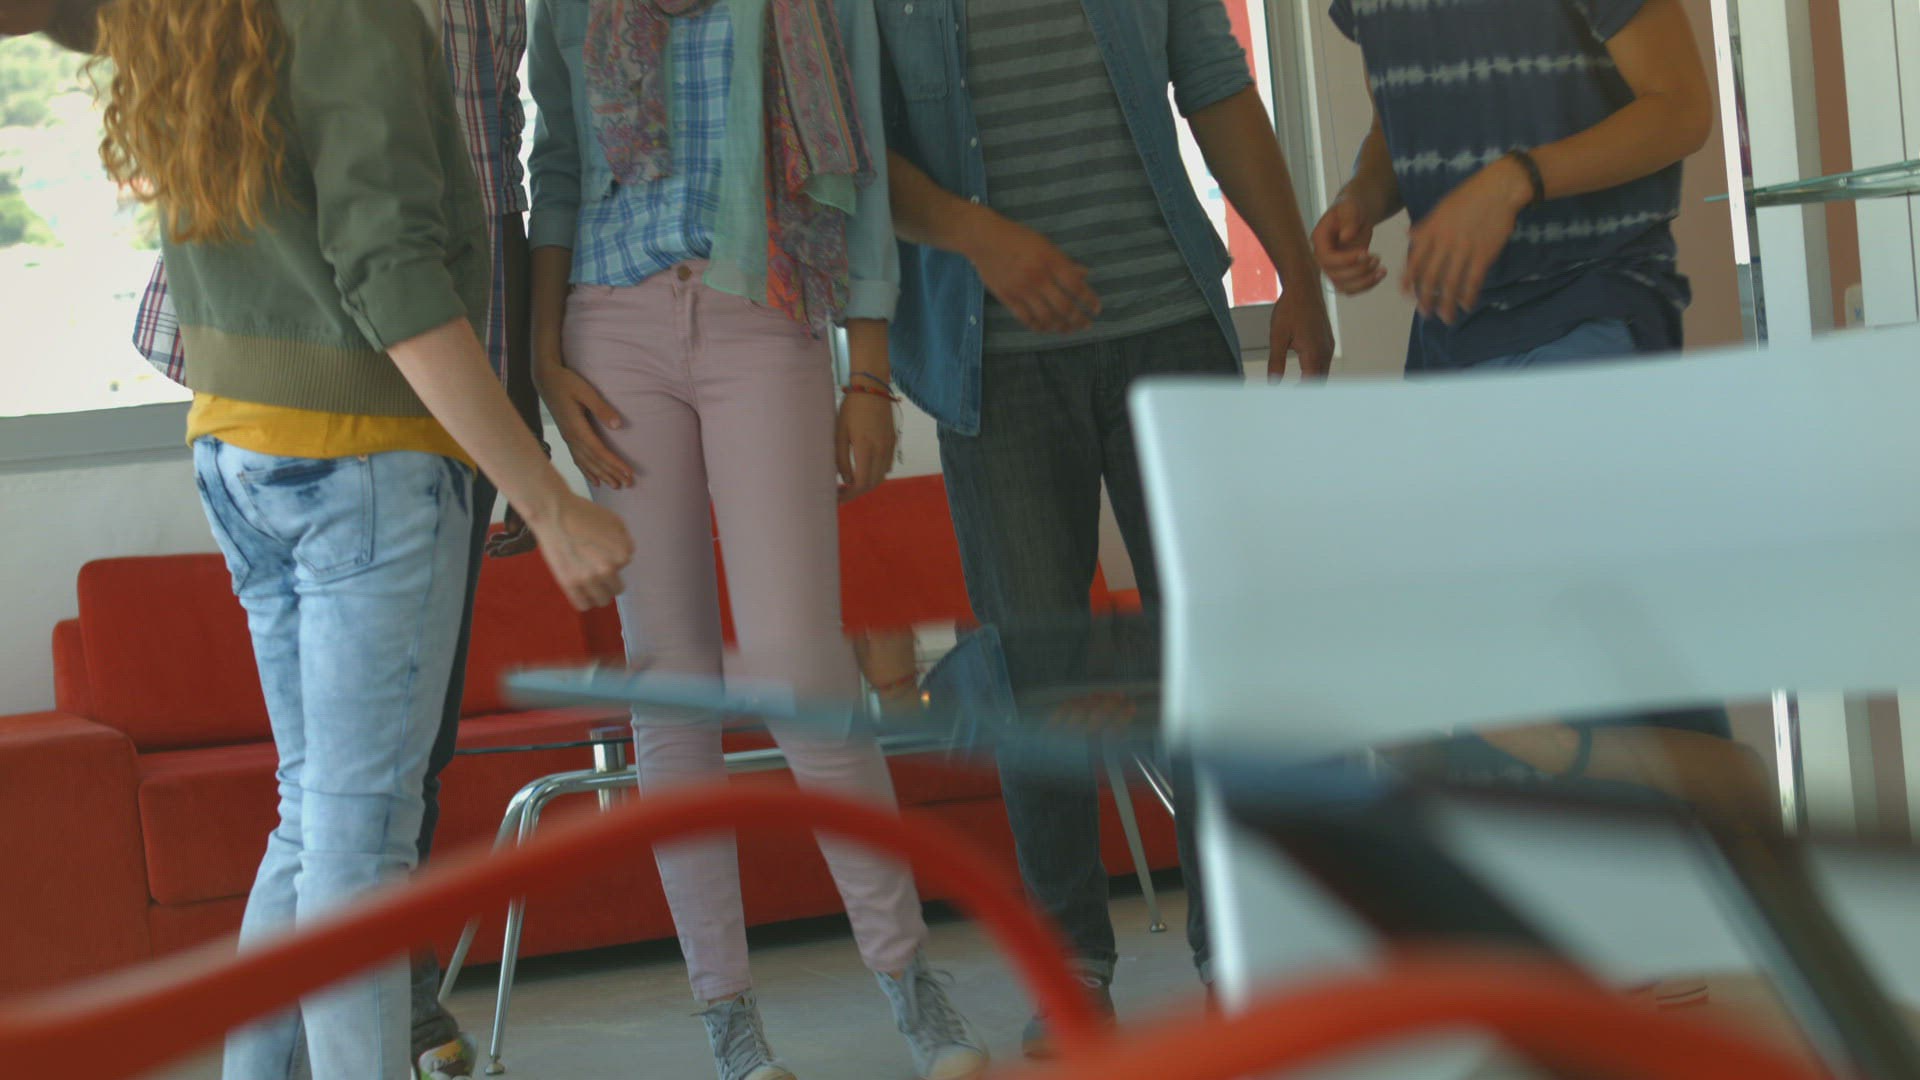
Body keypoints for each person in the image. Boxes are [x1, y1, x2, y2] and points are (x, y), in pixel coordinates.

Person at [88, 0, 632, 1076]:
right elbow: (393, 279)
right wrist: (543, 494)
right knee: (359, 846)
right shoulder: (354, 14)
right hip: (361, 461)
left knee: (315, 823)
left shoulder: (203, 16)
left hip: (237, 447)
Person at [526, 2, 985, 1078]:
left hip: (765, 310)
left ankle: (912, 986)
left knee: (798, 667)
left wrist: (868, 374)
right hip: (608, 325)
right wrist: (544, 357)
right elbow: (557, 168)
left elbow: (854, 164)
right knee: (670, 680)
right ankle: (728, 1021)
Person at [874, 0, 1333, 1053]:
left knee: (1212, 661)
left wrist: (1297, 274)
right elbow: (857, 151)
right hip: (992, 361)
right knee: (1038, 673)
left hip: (1170, 326)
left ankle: (1237, 953)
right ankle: (1070, 966)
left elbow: (1215, 83)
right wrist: (978, 234)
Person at [1311, 0, 1714, 373]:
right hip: (1446, 337)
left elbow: (1681, 108)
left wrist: (1516, 180)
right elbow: (1390, 127)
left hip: (1590, 304)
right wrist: (1359, 198)